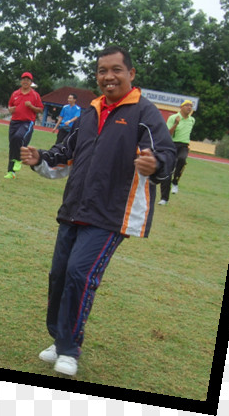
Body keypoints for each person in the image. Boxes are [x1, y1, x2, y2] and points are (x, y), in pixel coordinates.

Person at [20, 46, 176, 377]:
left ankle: (70, 349)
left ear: (131, 74)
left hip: (110, 215)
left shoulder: (145, 113)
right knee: (59, 276)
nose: (108, 76)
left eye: (116, 69)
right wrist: (40, 158)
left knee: (80, 274)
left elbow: (166, 154)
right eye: (102, 70)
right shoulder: (90, 112)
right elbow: (66, 153)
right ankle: (59, 339)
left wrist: (156, 163)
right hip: (74, 208)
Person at [5, 72, 43, 179]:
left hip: (27, 122)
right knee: (12, 145)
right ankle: (11, 172)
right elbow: (10, 105)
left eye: (28, 80)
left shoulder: (35, 95)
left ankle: (18, 160)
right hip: (14, 122)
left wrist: (31, 106)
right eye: (23, 79)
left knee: (18, 137)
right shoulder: (15, 94)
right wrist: (10, 109)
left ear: (31, 82)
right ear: (21, 81)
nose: (25, 82)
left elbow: (40, 109)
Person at [158, 100, 196, 205]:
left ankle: (175, 182)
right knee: (167, 171)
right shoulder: (173, 118)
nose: (189, 107)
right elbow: (168, 133)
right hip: (172, 145)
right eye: (187, 105)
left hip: (183, 145)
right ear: (181, 107)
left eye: (191, 106)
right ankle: (164, 198)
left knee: (182, 159)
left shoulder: (192, 120)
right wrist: (176, 124)